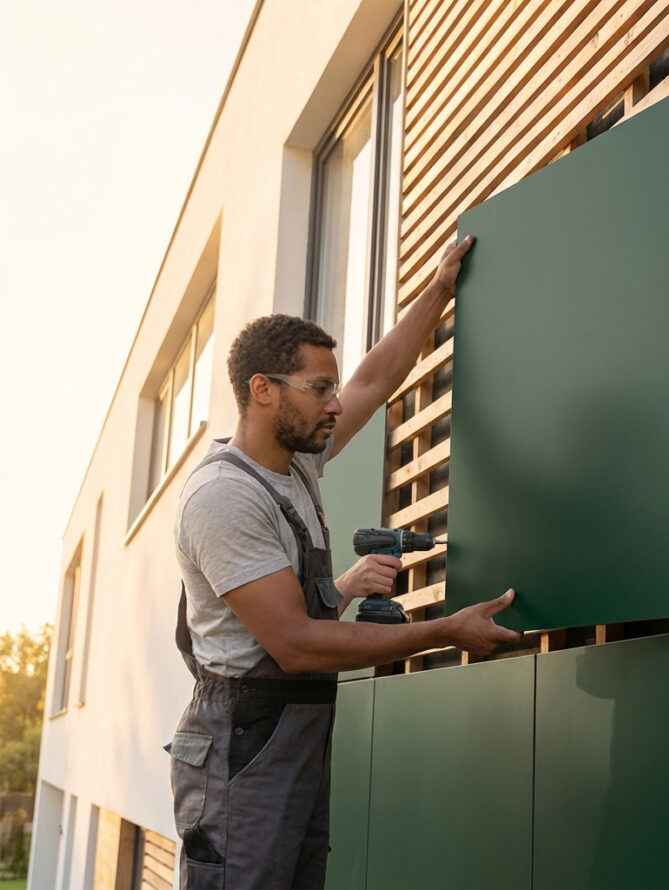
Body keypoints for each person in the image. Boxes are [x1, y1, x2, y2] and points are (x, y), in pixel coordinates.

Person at [167, 235, 520, 890]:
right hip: (243, 741)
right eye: (318, 387)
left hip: (293, 726)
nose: (335, 402)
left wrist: (440, 287)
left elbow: (375, 378)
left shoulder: (297, 460)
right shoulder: (224, 498)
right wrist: (446, 631)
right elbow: (295, 644)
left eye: (332, 387)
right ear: (264, 391)